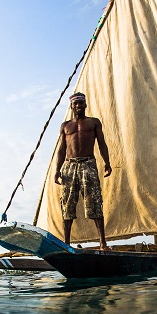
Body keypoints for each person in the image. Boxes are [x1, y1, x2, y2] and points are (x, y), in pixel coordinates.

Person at [54, 92, 112, 250]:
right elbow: (61, 150)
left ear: (85, 105)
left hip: (88, 164)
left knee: (95, 201)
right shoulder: (65, 126)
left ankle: (103, 243)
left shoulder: (93, 123)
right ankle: (66, 243)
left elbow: (101, 143)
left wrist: (107, 162)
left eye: (81, 103)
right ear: (71, 106)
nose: (78, 106)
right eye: (76, 103)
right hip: (69, 166)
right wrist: (57, 170)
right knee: (67, 204)